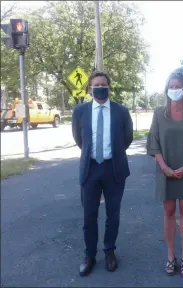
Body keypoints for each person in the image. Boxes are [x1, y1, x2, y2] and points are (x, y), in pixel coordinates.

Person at [72, 71, 133, 277]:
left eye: (104, 85)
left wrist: (111, 154)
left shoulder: (121, 111)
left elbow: (127, 138)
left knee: (113, 214)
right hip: (90, 169)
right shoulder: (80, 111)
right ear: (90, 88)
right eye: (96, 84)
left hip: (113, 168)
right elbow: (80, 140)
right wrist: (93, 153)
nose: (100, 87)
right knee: (89, 215)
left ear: (109, 87)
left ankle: (109, 251)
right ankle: (89, 255)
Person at [146, 72, 183, 277]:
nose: (174, 90)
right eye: (170, 86)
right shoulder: (159, 113)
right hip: (166, 170)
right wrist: (164, 167)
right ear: (166, 90)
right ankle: (171, 256)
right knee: (169, 212)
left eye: (178, 86)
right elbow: (153, 143)